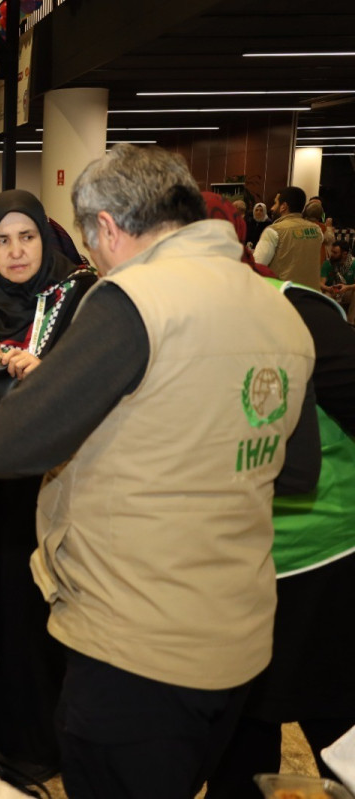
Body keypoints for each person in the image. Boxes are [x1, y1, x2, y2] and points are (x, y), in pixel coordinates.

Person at [0, 144, 319, 799]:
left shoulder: (133, 300)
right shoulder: (280, 307)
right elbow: (295, 467)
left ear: (108, 227)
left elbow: (10, 444)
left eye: (91, 244)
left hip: (134, 647)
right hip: (236, 639)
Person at [0, 190, 97, 783]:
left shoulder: (79, 295)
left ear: (45, 237)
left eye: (25, 237)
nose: (14, 251)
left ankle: (55, 740)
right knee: (6, 599)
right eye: (1, 240)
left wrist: (48, 371)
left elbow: (97, 377)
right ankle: (8, 736)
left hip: (64, 480)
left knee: (53, 606)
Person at [205, 207, 355, 798]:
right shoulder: (180, 323)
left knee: (338, 734)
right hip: (239, 568)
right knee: (242, 737)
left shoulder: (303, 312)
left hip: (321, 564)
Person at [254, 186, 324, 287]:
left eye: (275, 203)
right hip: (311, 296)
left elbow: (257, 266)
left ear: (283, 206)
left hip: (284, 296)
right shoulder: (317, 231)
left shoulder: (274, 231)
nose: (272, 208)